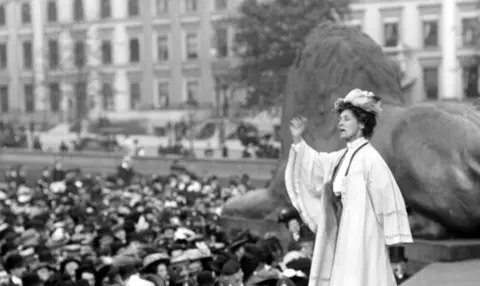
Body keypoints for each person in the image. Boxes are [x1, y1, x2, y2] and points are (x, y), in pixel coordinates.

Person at [285, 89, 412, 286]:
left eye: (346, 119)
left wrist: (390, 234)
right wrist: (298, 141)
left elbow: (387, 195)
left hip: (364, 238)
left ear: (361, 123)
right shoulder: (342, 157)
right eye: (340, 119)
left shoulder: (371, 159)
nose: (340, 123)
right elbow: (316, 164)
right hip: (343, 234)